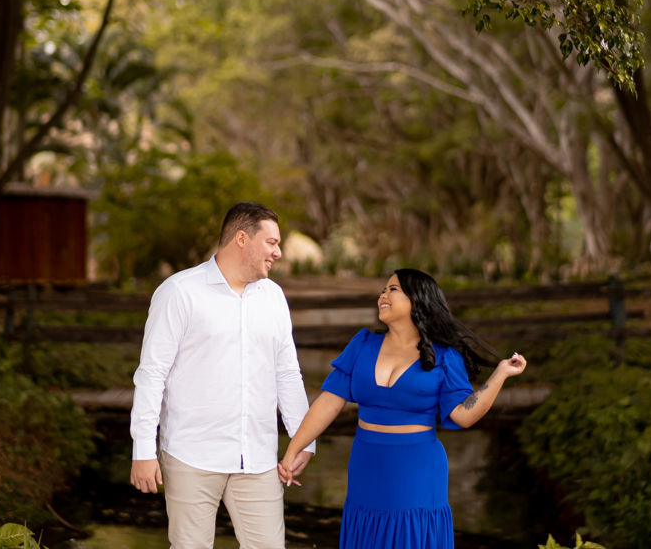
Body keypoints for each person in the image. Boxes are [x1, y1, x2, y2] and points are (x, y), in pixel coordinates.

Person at [277, 268, 527, 549]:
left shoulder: (445, 356)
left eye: (393, 289)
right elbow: (329, 402)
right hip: (366, 462)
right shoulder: (362, 343)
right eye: (383, 289)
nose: (383, 295)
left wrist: (500, 375)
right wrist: (294, 448)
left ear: (417, 300)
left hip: (417, 468)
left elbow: (463, 414)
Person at [129, 201, 315, 549]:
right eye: (272, 242)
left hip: (258, 457)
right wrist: (143, 450)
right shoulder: (179, 291)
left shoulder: (273, 297)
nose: (279, 252)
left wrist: (303, 438)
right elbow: (152, 374)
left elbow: (287, 374)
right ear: (242, 238)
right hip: (192, 454)